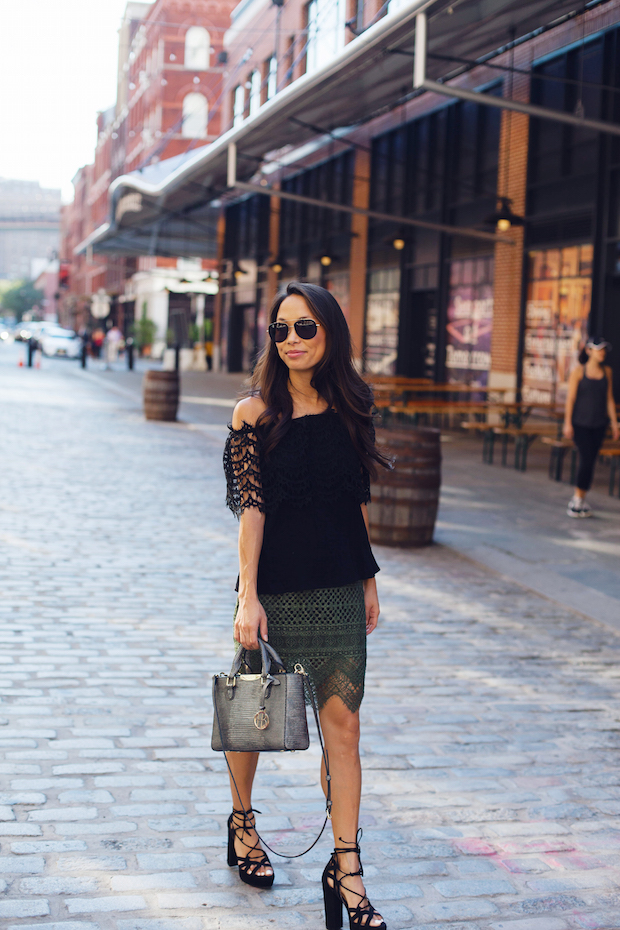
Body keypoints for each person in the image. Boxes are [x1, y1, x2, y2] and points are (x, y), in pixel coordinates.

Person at [223, 282, 390, 930]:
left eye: (305, 328)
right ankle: (242, 825)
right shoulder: (253, 414)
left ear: (330, 335)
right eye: (281, 329)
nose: (291, 340)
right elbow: (251, 511)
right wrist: (248, 595)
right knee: (253, 718)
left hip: (340, 587)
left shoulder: (353, 408)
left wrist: (370, 580)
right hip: (277, 591)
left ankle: (347, 870)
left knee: (343, 730)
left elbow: (355, 501)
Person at [563, 335, 619, 517]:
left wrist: (614, 423)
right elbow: (570, 399)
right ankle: (577, 501)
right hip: (580, 424)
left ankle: (580, 498)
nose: (602, 353)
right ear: (589, 351)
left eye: (604, 349)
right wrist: (567, 423)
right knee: (586, 460)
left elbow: (609, 399)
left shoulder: (607, 372)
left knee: (590, 462)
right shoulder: (579, 372)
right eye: (599, 349)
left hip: (599, 425)